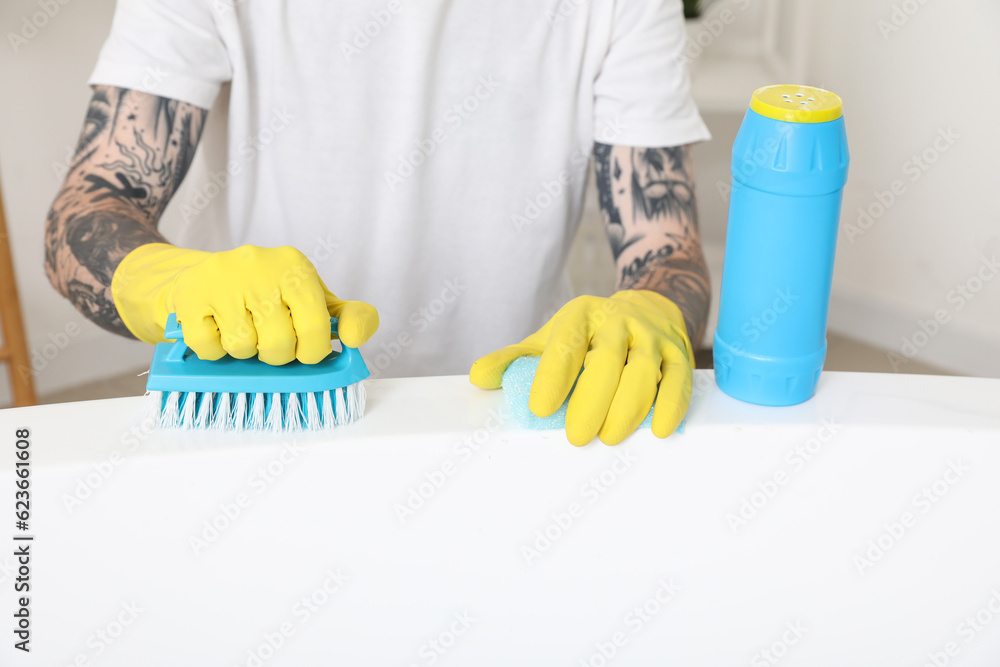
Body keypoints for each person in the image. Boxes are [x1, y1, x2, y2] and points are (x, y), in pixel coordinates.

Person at [45, 0, 711, 446]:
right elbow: (97, 198)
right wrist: (168, 281)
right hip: (260, 403)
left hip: (515, 416)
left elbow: (665, 252)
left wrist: (653, 310)